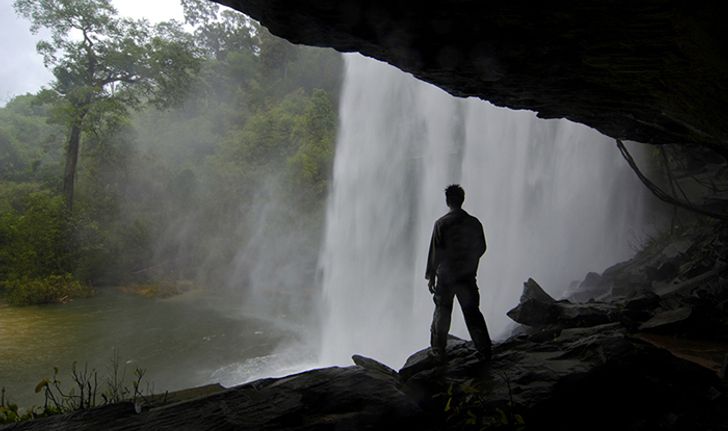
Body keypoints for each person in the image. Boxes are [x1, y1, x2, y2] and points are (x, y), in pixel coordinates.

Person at [426, 184, 492, 362]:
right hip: (466, 277)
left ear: (448, 201)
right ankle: (484, 349)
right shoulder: (474, 223)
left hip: (446, 277)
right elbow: (482, 247)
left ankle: (438, 350)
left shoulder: (441, 224)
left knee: (442, 312)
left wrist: (431, 276)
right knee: (472, 313)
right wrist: (469, 263)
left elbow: (435, 252)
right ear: (462, 200)